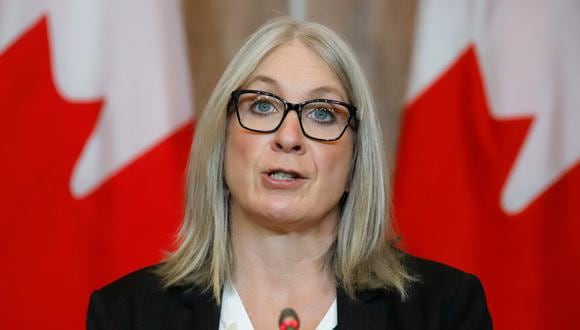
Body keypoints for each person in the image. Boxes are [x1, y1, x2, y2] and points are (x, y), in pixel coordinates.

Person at [87, 17, 492, 329]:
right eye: (262, 105)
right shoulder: (128, 315)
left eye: (321, 113)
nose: (288, 136)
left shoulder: (444, 311)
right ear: (221, 142)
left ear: (355, 162)